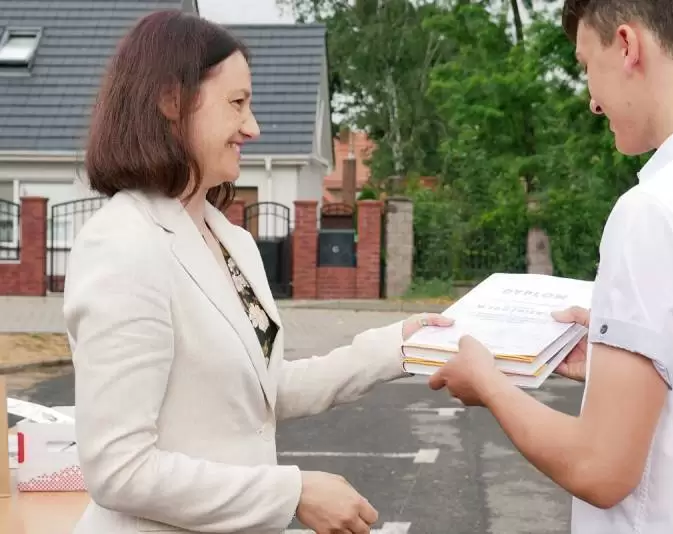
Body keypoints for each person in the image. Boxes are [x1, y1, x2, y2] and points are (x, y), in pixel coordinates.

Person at [63, 10, 452, 534]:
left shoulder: (233, 242)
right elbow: (119, 470)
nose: (253, 127)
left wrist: (395, 348)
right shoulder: (124, 245)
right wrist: (293, 492)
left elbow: (262, 389)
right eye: (237, 103)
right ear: (171, 101)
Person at [428, 0, 673, 532]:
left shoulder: (658, 210)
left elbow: (599, 468)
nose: (592, 101)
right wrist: (621, 360)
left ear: (627, 45)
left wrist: (488, 383)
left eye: (586, 66)